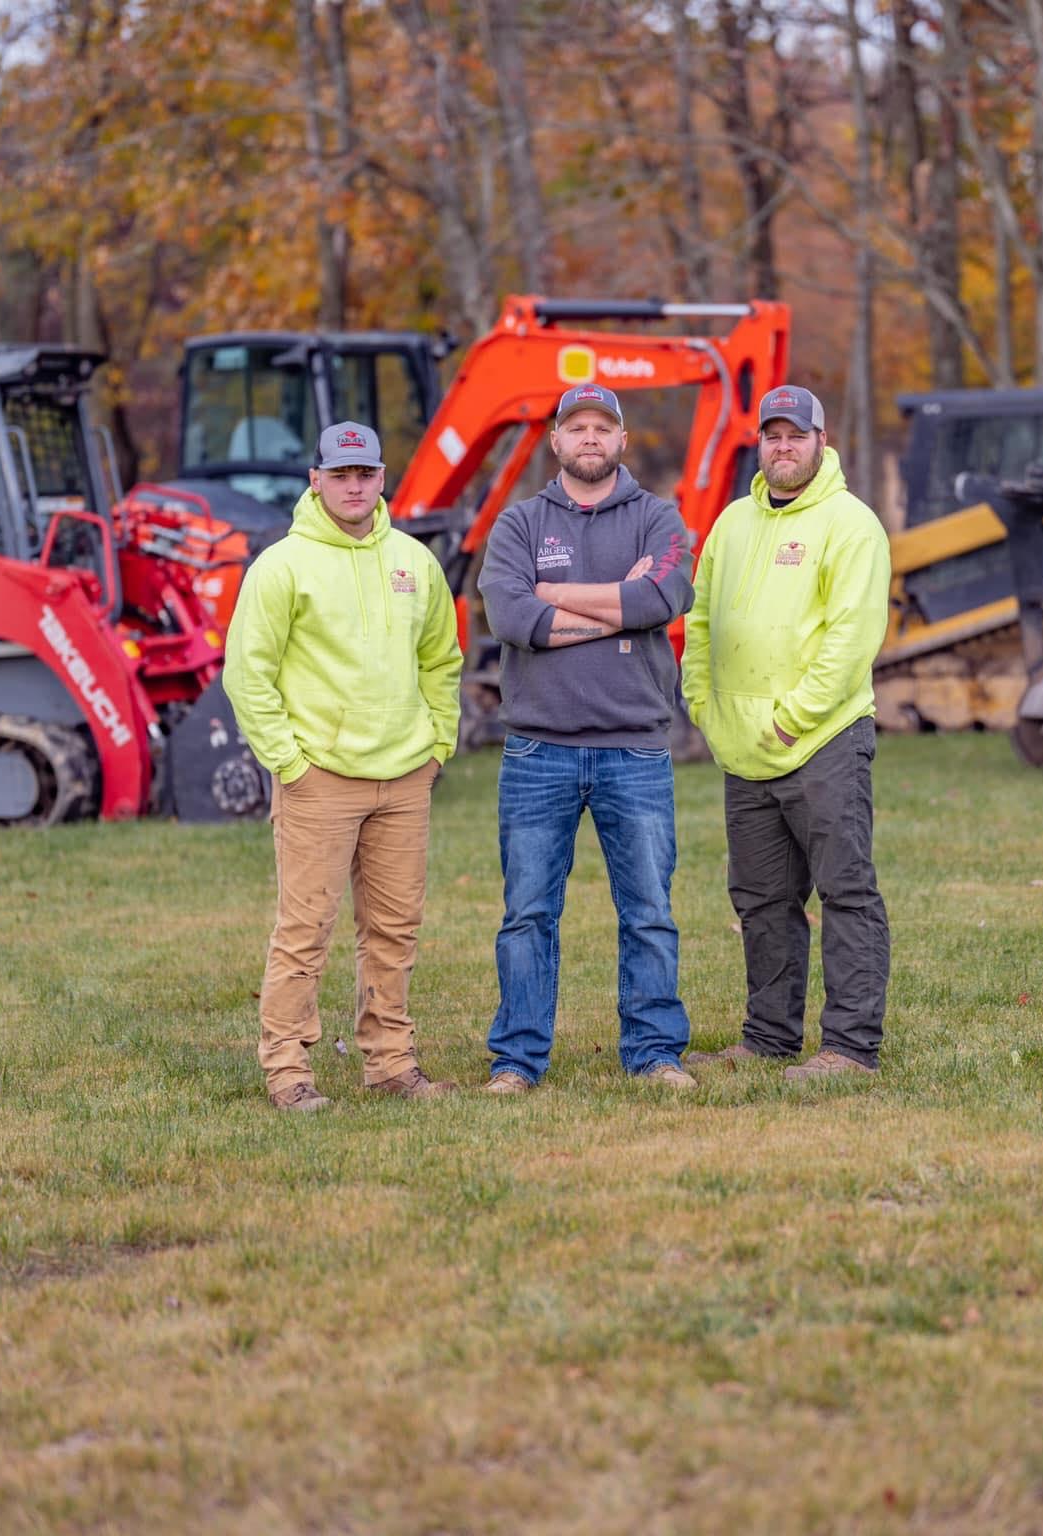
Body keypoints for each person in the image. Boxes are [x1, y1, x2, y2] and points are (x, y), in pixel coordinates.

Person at [222, 420, 463, 1110]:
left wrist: (438, 744)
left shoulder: (415, 561)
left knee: (394, 929)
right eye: (340, 475)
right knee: (305, 932)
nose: (354, 487)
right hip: (319, 779)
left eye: (365, 475)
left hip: (405, 775)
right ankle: (287, 1070)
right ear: (316, 480)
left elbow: (441, 659)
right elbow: (248, 674)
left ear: (382, 478)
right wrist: (289, 765)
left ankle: (391, 1062)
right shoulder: (282, 566)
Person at [475, 382, 699, 1093]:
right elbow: (510, 616)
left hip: (634, 749)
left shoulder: (660, 522)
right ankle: (517, 1060)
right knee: (528, 915)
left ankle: (656, 1052)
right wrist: (616, 606)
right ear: (557, 442)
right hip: (538, 750)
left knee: (650, 913)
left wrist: (553, 595)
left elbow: (662, 599)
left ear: (622, 441)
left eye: (604, 426)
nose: (592, 438)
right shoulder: (518, 524)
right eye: (579, 428)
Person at [680, 385, 893, 1081]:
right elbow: (703, 617)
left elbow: (849, 639)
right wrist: (702, 701)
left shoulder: (851, 525)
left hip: (823, 742)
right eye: (771, 435)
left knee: (846, 891)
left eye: (794, 435)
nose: (782, 446)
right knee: (763, 901)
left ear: (819, 441)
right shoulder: (732, 524)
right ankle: (769, 1037)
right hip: (743, 749)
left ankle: (850, 1048)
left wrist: (791, 716)